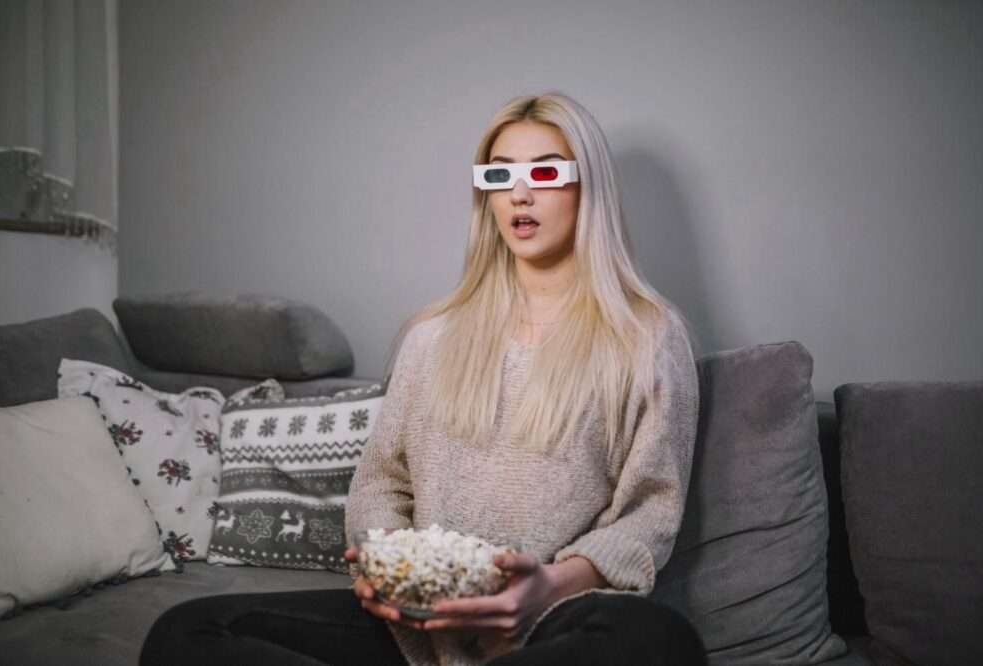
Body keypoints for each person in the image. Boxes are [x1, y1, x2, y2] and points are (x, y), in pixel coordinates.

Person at [140, 91, 706, 666]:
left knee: (661, 641)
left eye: (544, 172)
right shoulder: (432, 336)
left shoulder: (647, 338)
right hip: (417, 627)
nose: (520, 193)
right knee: (188, 632)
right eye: (499, 175)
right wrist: (387, 570)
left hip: (551, 623)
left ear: (589, 187)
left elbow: (649, 515)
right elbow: (381, 484)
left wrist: (550, 586)